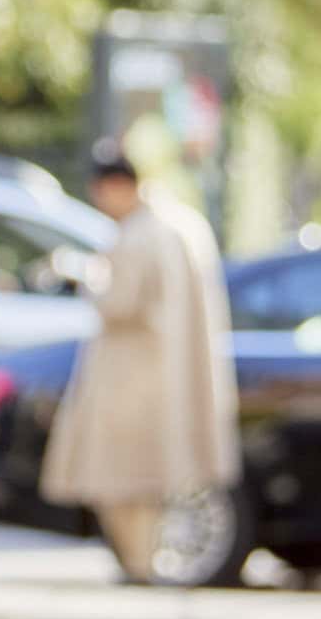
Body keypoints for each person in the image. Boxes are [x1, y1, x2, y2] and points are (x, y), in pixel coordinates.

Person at [41, 140, 240, 581]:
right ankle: (144, 561)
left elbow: (117, 303)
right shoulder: (185, 224)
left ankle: (138, 564)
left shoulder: (139, 234)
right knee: (151, 482)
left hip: (131, 377)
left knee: (121, 482)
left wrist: (86, 276)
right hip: (174, 374)